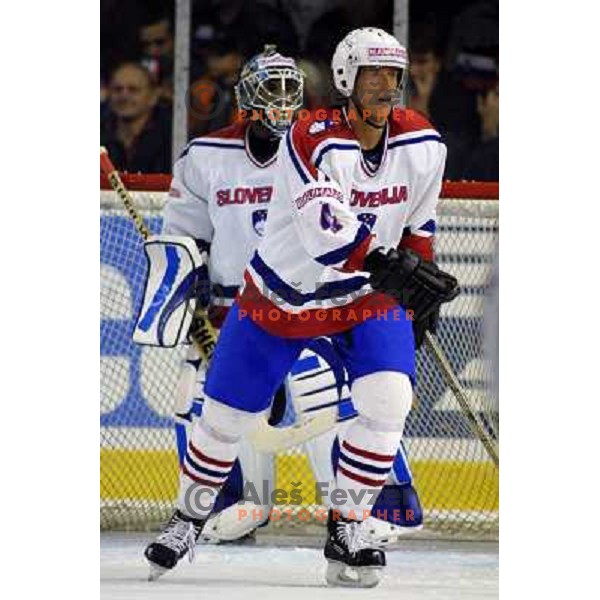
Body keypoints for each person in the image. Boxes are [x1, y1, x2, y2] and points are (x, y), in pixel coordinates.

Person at [143, 29, 459, 588]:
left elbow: (420, 224)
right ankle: (189, 517)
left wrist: (418, 279)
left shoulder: (425, 143)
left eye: (394, 75)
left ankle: (349, 525)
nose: (386, 85)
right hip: (283, 295)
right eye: (372, 74)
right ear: (345, 79)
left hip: (366, 298)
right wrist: (392, 266)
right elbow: (325, 233)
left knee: (389, 397)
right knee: (222, 421)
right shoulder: (311, 137)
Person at [100, 62, 172, 173]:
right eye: (117, 89)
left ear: (153, 96)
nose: (124, 96)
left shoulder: (172, 138)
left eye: (133, 89)